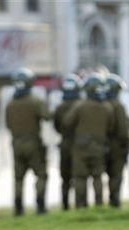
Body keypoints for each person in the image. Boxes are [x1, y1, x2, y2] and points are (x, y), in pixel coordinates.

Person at [64, 72, 115, 209]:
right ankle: (99, 205)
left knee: (80, 178)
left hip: (80, 147)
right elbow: (111, 127)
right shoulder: (107, 107)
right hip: (99, 146)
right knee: (98, 177)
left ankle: (81, 206)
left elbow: (67, 122)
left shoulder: (80, 106)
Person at [5, 67, 52, 216]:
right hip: (33, 143)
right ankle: (40, 206)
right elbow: (47, 117)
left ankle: (18, 208)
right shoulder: (35, 101)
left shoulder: (10, 104)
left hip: (16, 143)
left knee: (18, 177)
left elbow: (8, 124)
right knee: (41, 174)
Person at [53, 73, 83, 210]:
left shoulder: (59, 108)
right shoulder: (82, 105)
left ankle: (65, 205)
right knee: (79, 176)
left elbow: (57, 127)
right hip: (79, 144)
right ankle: (80, 204)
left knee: (65, 177)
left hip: (65, 143)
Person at [105, 73, 129, 208]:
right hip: (116, 145)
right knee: (116, 174)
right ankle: (114, 202)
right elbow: (122, 131)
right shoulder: (118, 105)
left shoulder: (102, 103)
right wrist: (127, 143)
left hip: (102, 144)